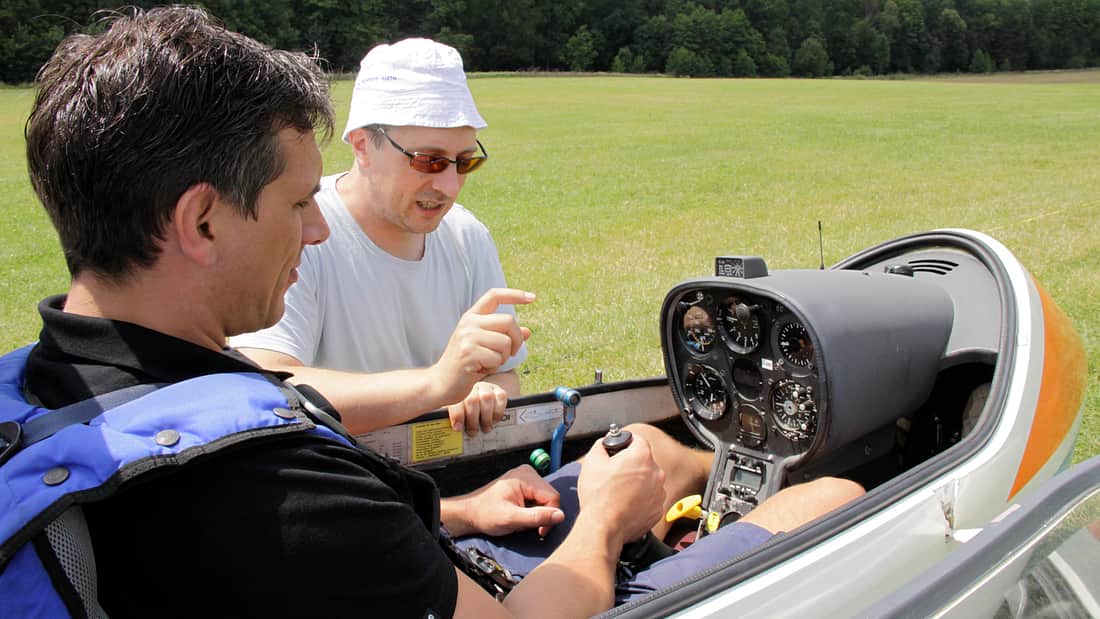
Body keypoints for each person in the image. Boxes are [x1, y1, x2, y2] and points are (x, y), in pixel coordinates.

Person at [0, 7, 863, 618]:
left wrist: (454, 510)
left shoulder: (43, 398)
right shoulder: (276, 490)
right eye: (298, 203)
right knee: (831, 493)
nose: (313, 227)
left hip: (429, 531)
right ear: (200, 221)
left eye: (464, 162)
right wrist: (603, 520)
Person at [232, 38, 524, 438]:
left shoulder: (466, 235)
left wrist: (488, 392)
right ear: (362, 146)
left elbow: (504, 375)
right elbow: (269, 388)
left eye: (464, 161)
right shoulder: (301, 231)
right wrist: (437, 385)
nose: (450, 186)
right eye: (429, 161)